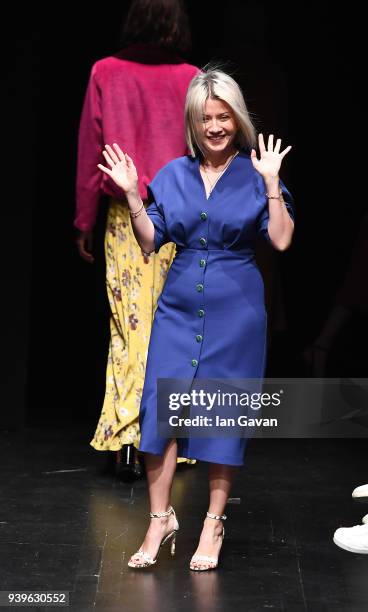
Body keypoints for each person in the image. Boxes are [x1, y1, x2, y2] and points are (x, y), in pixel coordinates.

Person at [97, 68, 294, 570]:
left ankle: (213, 522)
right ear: (193, 121)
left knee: (223, 413)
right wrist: (132, 195)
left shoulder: (255, 174)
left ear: (238, 120)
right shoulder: (173, 174)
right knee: (161, 409)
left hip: (237, 311)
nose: (214, 127)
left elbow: (281, 238)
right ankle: (160, 518)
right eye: (205, 118)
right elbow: (147, 239)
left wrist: (272, 184)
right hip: (179, 307)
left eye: (223, 117)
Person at [74, 0, 199, 480]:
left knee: (129, 326)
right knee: (169, 326)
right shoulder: (189, 76)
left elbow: (92, 149)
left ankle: (128, 440)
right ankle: (166, 440)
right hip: (177, 213)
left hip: (127, 214)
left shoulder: (106, 71)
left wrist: (84, 217)